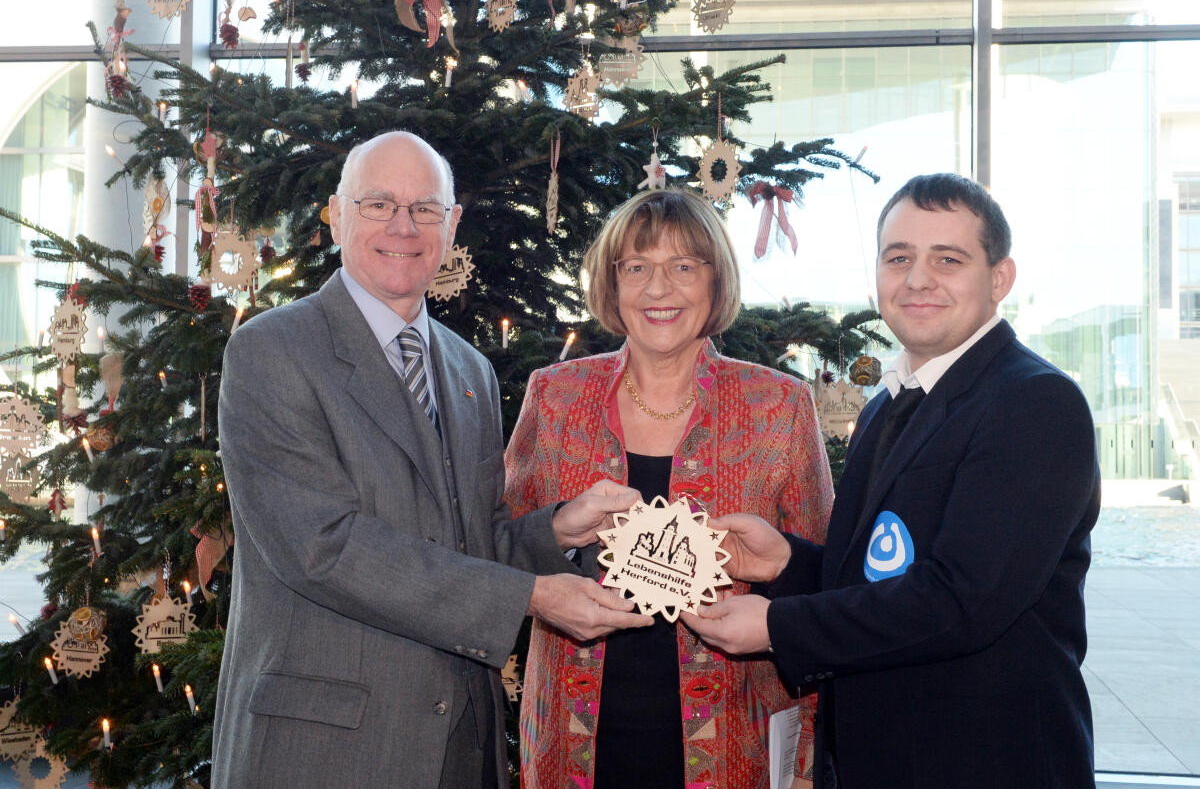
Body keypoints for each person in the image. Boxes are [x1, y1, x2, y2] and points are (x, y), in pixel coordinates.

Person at [212, 131, 652, 789]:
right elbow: (324, 550)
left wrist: (559, 528)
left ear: (451, 226)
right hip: (324, 755)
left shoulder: (467, 368)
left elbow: (468, 543)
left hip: (459, 749)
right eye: (379, 203)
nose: (403, 226)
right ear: (337, 215)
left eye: (425, 209)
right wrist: (532, 595)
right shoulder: (270, 352)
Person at [685, 173, 1101, 789]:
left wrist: (778, 627)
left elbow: (961, 601)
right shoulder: (890, 401)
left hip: (984, 763)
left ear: (1000, 279)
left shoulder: (1034, 402)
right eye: (898, 257)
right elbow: (884, 570)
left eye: (948, 259)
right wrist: (784, 563)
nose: (917, 279)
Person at [504, 188, 835, 789]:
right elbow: (499, 548)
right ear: (614, 283)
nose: (659, 290)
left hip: (737, 741)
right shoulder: (554, 397)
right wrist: (555, 533)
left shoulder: (778, 406)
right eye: (637, 267)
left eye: (683, 266)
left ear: (716, 281)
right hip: (572, 746)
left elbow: (825, 580)